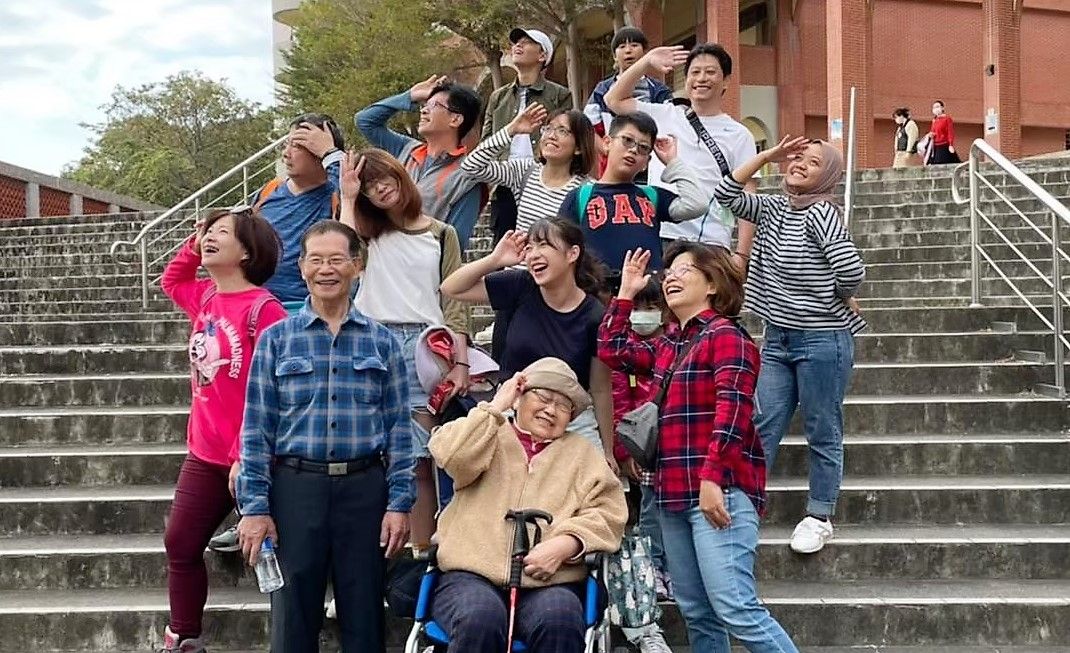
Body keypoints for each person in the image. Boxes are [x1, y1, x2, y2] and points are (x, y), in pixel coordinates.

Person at [599, 243, 799, 653]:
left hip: (716, 490)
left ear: (712, 283)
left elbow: (734, 412)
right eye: (668, 270)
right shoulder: (671, 343)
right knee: (696, 611)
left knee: (736, 607)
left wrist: (712, 478)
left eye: (685, 269)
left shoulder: (727, 337)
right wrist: (625, 293)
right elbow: (611, 349)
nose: (671, 276)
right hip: (671, 493)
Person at [235, 221, 416, 653]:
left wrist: (399, 502)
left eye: (336, 259)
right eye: (315, 260)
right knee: (293, 616)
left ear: (357, 265)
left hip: (364, 489)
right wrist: (254, 507)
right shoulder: (277, 341)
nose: (326, 269)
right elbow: (256, 429)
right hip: (297, 488)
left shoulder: (383, 342)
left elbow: (400, 431)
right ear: (301, 268)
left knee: (365, 613)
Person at [712, 136, 866, 555]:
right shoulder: (774, 207)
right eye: (799, 157)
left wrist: (831, 295)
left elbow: (852, 271)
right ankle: (742, 506)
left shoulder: (822, 213)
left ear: (827, 176)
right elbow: (725, 193)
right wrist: (765, 157)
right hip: (778, 337)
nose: (800, 165)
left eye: (813, 162)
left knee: (822, 428)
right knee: (762, 425)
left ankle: (819, 515)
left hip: (823, 339)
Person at [427, 358, 628, 653]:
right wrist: (495, 407)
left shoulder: (583, 454)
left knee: (558, 618)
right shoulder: (488, 432)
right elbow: (452, 455)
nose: (550, 410)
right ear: (519, 397)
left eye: (563, 405)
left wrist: (567, 544)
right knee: (479, 617)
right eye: (543, 397)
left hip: (549, 583)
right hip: (469, 575)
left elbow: (609, 512)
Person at [158, 208, 287, 653]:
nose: (209, 237)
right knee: (181, 541)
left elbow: (272, 392)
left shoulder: (265, 310)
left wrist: (242, 453)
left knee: (280, 555)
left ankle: (294, 635)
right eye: (207, 232)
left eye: (221, 234)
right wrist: (194, 244)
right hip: (204, 454)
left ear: (247, 251)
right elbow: (171, 282)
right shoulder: (206, 298)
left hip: (251, 457)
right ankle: (184, 635)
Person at [338, 148, 470, 559]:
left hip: (425, 346)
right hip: (369, 339)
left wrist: (461, 362)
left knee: (419, 458)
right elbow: (340, 256)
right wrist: (346, 196)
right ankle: (368, 554)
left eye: (385, 178)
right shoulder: (366, 234)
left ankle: (419, 554)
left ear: (401, 175)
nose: (380, 188)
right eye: (371, 184)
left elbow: (456, 301)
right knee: (363, 452)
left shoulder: (440, 232)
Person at [440, 218, 617, 471]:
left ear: (572, 253)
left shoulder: (595, 315)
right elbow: (451, 288)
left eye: (543, 245)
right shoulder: (520, 286)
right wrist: (494, 260)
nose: (533, 255)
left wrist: (607, 450)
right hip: (511, 414)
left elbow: (600, 389)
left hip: (568, 420)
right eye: (530, 247)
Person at [604, 44, 758, 266]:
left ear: (726, 81)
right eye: (695, 72)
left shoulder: (739, 134)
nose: (701, 78)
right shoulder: (663, 114)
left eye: (711, 72)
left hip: (711, 241)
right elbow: (613, 100)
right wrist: (646, 62)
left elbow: (747, 195)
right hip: (658, 233)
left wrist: (742, 255)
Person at [557, 111, 708, 290]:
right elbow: (561, 250)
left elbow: (697, 204)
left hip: (647, 297)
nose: (634, 150)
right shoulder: (580, 196)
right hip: (597, 295)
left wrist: (672, 161)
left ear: (646, 161)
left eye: (643, 148)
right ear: (607, 143)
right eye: (627, 140)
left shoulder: (652, 196)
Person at [608, 279, 673, 653]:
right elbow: (618, 403)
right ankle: (654, 568)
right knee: (649, 510)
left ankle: (671, 569)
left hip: (677, 448)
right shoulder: (629, 353)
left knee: (673, 512)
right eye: (638, 306)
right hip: (644, 448)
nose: (642, 314)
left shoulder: (673, 344)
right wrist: (624, 450)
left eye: (651, 305)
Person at [355, 76, 485, 247]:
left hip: (421, 262)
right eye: (424, 106)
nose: (423, 111)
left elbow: (455, 243)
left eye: (434, 106)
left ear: (455, 119)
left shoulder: (467, 175)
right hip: (382, 253)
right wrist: (410, 96)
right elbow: (365, 121)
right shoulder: (407, 149)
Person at [482, 27, 573, 245]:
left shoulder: (559, 95)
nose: (518, 46)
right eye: (516, 42)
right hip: (505, 183)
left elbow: (567, 135)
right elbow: (486, 141)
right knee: (502, 252)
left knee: (545, 245)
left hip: (541, 181)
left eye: (526, 42)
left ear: (542, 55)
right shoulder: (498, 97)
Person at [256, 114, 345, 311]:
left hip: (310, 311)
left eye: (297, 146)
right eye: (287, 144)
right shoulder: (269, 190)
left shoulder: (337, 195)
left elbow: (354, 192)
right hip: (261, 308)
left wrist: (331, 153)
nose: (286, 154)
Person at [583, 26, 674, 178]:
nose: (628, 50)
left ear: (645, 52)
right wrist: (608, 149)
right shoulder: (603, 89)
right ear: (614, 56)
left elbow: (669, 125)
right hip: (612, 169)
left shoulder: (659, 90)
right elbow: (588, 127)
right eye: (622, 46)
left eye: (634, 45)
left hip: (651, 168)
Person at [927, 100, 961, 164]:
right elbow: (932, 131)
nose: (935, 109)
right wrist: (930, 134)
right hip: (935, 146)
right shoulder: (934, 120)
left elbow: (950, 132)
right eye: (934, 107)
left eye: (937, 107)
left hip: (944, 145)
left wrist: (951, 144)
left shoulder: (947, 119)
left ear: (942, 108)